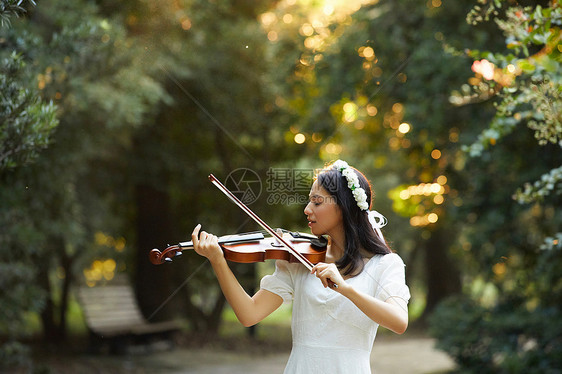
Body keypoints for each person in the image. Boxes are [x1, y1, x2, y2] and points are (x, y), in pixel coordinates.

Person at [191, 160, 410, 373]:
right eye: (309, 201)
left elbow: (399, 322)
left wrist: (345, 288)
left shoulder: (385, 264)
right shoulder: (298, 260)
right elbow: (249, 314)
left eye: (317, 202)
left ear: (343, 206)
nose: (307, 209)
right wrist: (218, 261)